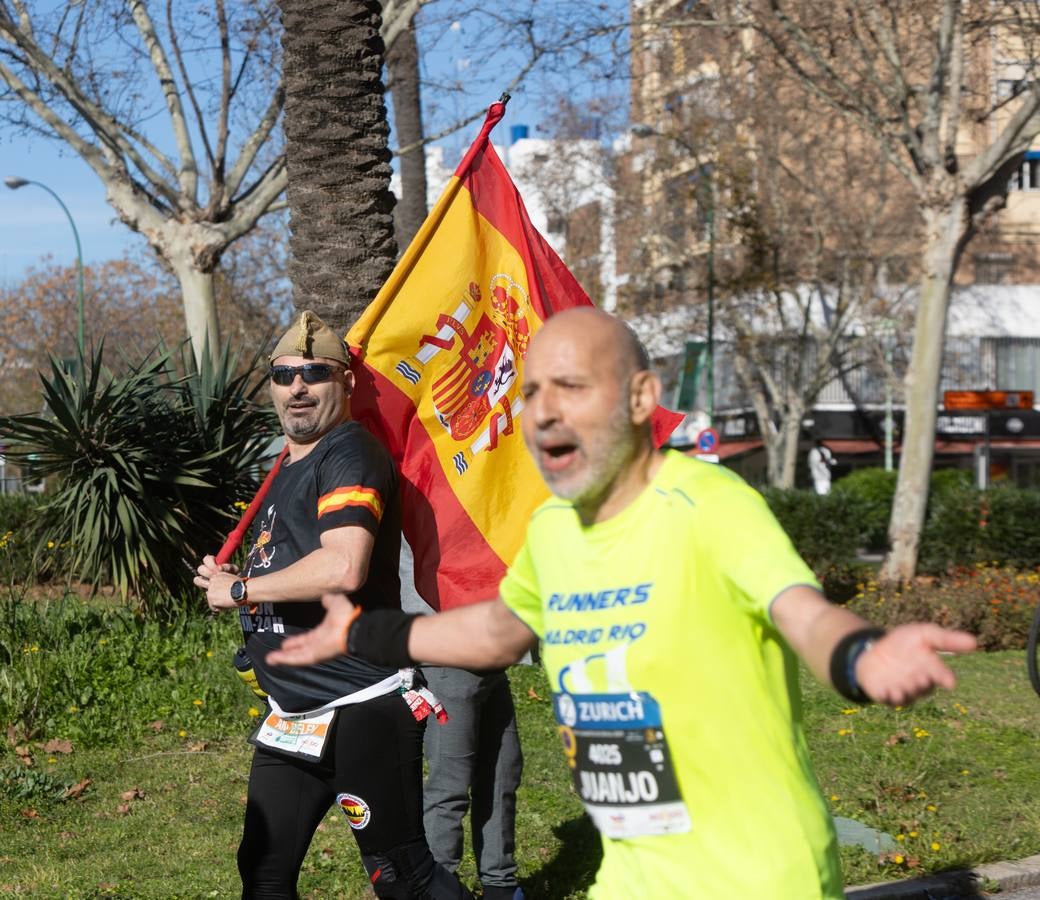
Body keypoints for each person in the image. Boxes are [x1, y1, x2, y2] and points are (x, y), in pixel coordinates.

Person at [267, 307, 978, 899]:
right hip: (632, 880)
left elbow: (804, 613)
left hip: (756, 879)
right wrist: (370, 633)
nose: (544, 413)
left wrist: (860, 656)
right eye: (533, 392)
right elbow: (498, 633)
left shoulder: (708, 505)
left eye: (571, 388)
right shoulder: (555, 530)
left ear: (641, 398)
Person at [195, 310, 471, 900]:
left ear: (345, 382)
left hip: (361, 707)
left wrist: (242, 591)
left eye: (315, 373)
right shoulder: (286, 466)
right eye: (284, 374)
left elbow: (344, 566)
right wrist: (240, 577)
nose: (298, 386)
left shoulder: (349, 454)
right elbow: (293, 562)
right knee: (264, 874)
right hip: (293, 715)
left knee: (401, 876)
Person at [401, 543, 523, 900]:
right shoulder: (419, 494)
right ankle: (439, 886)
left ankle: (500, 881)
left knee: (503, 770)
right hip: (448, 652)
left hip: (491, 649)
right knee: (450, 785)